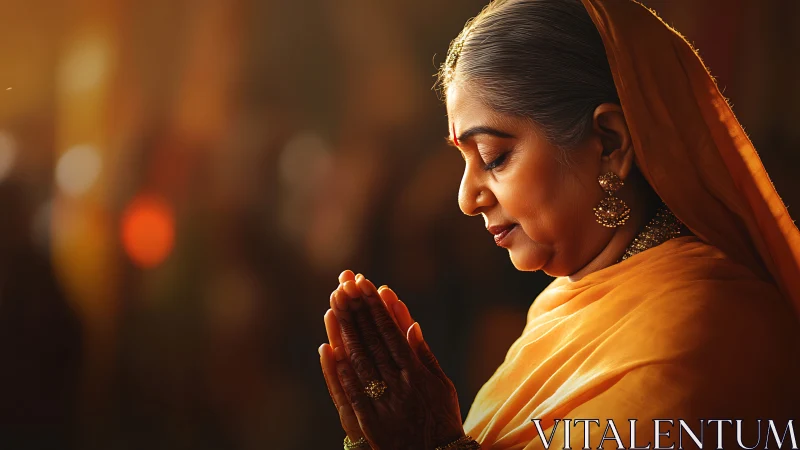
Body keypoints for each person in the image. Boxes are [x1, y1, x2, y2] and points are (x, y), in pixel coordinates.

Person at [318, 0, 800, 448]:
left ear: (609, 143)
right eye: (465, 160)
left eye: (494, 157)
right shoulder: (558, 308)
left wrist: (432, 441)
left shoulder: (703, 338)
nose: (466, 199)